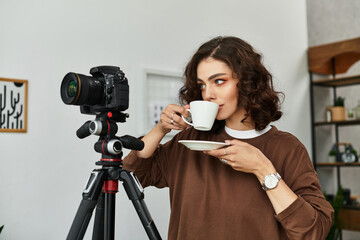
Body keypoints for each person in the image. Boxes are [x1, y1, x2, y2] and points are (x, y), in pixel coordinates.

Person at [123, 36, 334, 240]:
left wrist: (263, 169)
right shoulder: (189, 141)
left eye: (219, 81)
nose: (208, 94)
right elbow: (133, 173)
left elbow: (313, 231)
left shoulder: (287, 148)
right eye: (203, 84)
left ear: (248, 82)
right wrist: (160, 129)